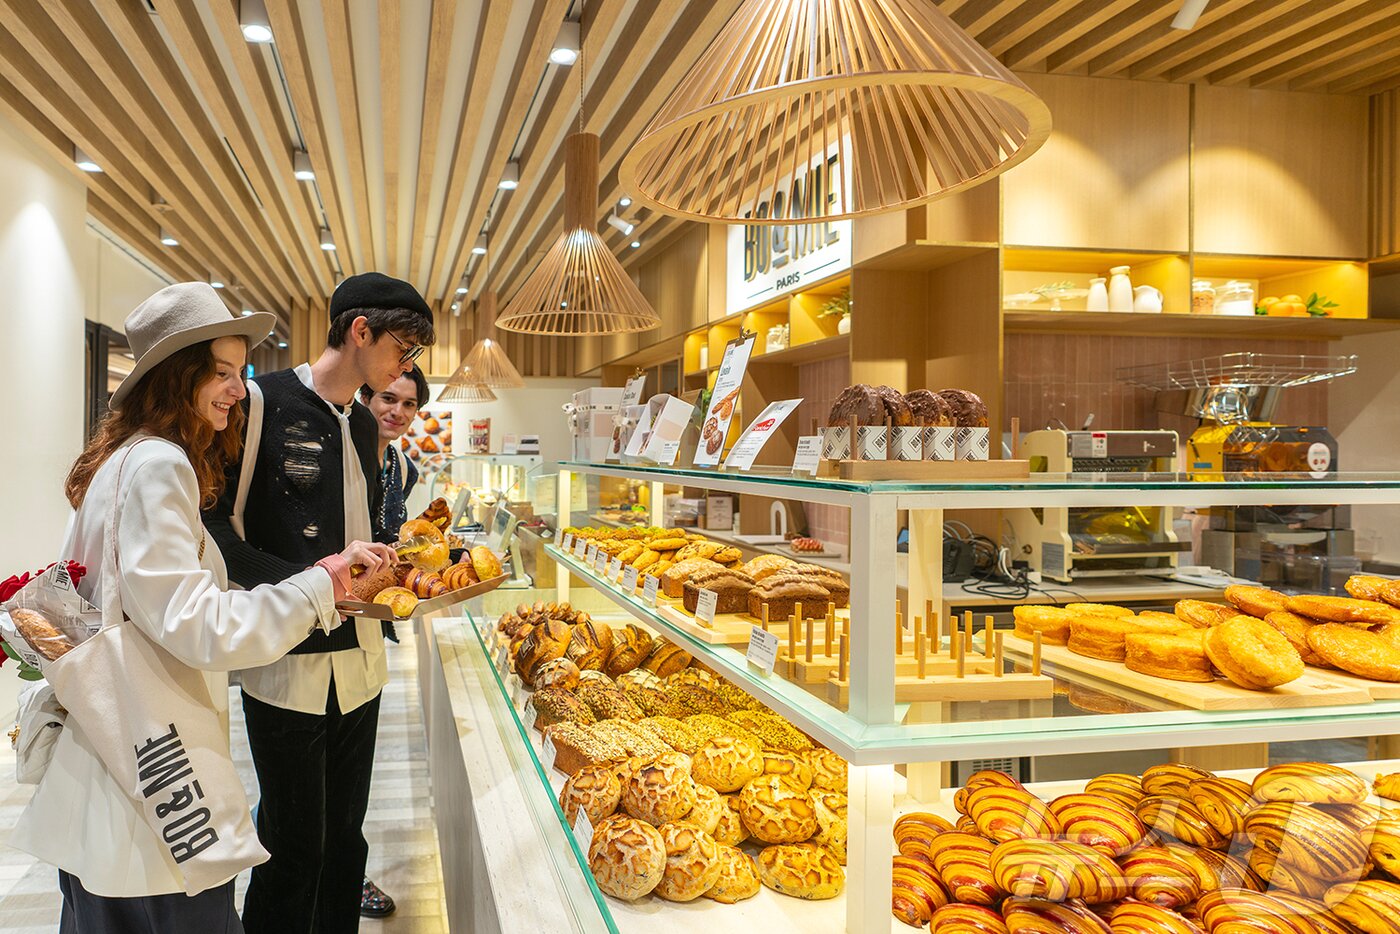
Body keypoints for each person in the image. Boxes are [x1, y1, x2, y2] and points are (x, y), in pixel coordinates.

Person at [9, 282, 395, 932]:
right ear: (173, 378)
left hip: (107, 782)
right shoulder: (160, 467)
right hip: (150, 797)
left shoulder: (120, 464)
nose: (240, 390)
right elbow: (202, 628)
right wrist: (321, 585)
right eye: (220, 373)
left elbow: (62, 617)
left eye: (239, 372)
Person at [204, 272, 435, 933]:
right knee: (292, 843)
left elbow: (360, 540)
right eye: (403, 348)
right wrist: (304, 589)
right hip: (285, 662)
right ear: (360, 332)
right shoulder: (258, 402)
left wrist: (388, 569)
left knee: (345, 843)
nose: (405, 366)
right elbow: (218, 527)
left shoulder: (365, 426)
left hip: (361, 660)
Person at [352, 363, 429, 919]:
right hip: (315, 621)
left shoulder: (403, 466)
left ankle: (347, 877)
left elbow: (391, 542)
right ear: (364, 397)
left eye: (407, 405)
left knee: (354, 777)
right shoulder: (341, 453)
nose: (395, 412)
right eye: (387, 398)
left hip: (368, 627)